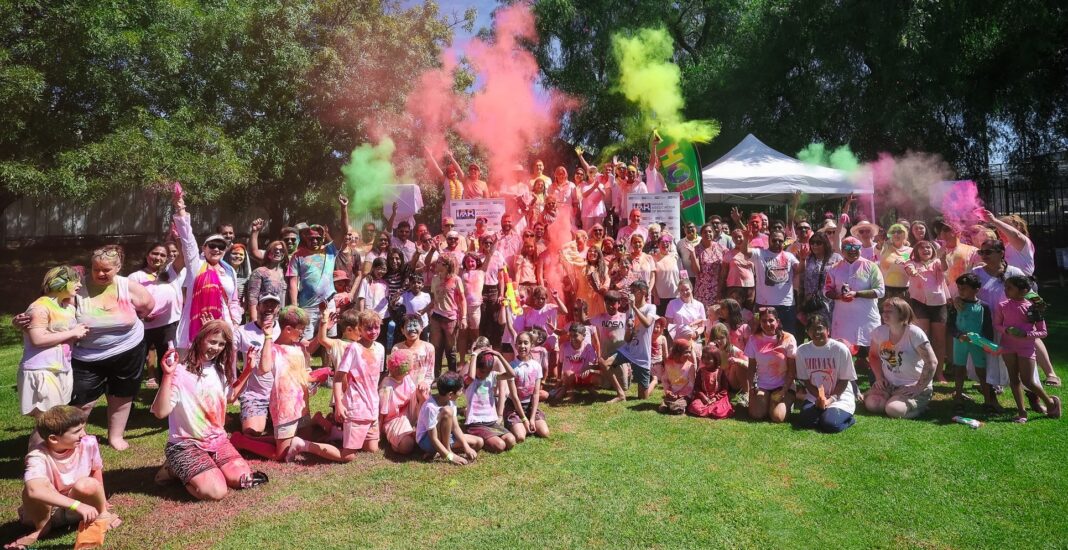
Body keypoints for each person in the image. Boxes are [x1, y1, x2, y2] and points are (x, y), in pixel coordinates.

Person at [150, 321, 262, 500]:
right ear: (200, 339)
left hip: (217, 440)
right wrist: (167, 375)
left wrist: (248, 369)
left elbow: (230, 397)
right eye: (212, 341)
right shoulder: (180, 372)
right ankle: (173, 468)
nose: (216, 348)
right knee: (216, 491)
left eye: (221, 344)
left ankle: (207, 466)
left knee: (242, 479)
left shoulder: (220, 369)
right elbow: (160, 412)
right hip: (186, 444)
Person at [231, 307, 347, 463]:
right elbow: (264, 368)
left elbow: (303, 375)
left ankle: (272, 439)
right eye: (301, 329)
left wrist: (316, 376)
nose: (303, 333)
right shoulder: (273, 349)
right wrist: (267, 337)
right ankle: (241, 441)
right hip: (284, 408)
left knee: (303, 438)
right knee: (281, 455)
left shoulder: (298, 348)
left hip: (301, 407)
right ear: (288, 329)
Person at [71, 245, 155, 451]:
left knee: (122, 395)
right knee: (82, 399)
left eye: (106, 270)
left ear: (118, 268)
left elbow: (148, 305)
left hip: (128, 349)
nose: (100, 274)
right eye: (96, 269)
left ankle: (115, 437)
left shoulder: (129, 286)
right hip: (87, 354)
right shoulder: (77, 289)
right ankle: (75, 436)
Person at [8, 406, 119, 550]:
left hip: (78, 509)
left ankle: (103, 516)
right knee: (36, 487)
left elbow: (95, 469)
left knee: (87, 483)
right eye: (77, 431)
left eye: (83, 428)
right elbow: (34, 491)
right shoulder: (37, 456)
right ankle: (42, 527)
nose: (83, 434)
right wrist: (77, 505)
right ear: (54, 439)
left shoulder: (88, 443)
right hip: (49, 512)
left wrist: (101, 502)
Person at [18, 267, 87, 447]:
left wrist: (77, 334)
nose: (80, 285)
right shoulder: (40, 307)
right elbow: (38, 339)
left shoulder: (67, 307)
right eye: (75, 281)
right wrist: (73, 332)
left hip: (62, 368)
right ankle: (35, 459)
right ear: (59, 282)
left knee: (56, 418)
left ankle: (52, 456)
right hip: (42, 371)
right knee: (48, 421)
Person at [172, 193, 241, 349]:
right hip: (196, 324)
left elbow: (234, 300)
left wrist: (235, 322)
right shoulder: (196, 265)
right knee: (194, 360)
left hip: (224, 324)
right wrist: (181, 209)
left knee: (221, 360)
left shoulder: (229, 270)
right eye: (212, 245)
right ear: (203, 248)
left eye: (221, 246)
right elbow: (188, 240)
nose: (216, 249)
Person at [994, 276, 1061, 422]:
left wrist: (1026, 334)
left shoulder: (1034, 308)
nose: (1006, 290)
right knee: (1013, 379)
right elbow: (997, 325)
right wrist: (1006, 330)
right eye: (1005, 287)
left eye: (1010, 288)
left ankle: (1050, 403)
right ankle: (1021, 412)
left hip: (1026, 347)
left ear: (1023, 291)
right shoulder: (1002, 305)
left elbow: (1043, 332)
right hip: (1008, 346)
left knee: (1028, 380)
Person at [865, 298, 938, 419]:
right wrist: (879, 378)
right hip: (888, 384)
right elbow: (873, 356)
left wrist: (918, 388)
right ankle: (893, 400)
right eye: (884, 311)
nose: (884, 314)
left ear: (902, 314)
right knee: (873, 405)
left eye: (889, 311)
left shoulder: (914, 333)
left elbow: (932, 362)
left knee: (893, 410)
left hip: (912, 385)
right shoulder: (879, 332)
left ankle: (920, 406)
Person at [826, 237, 885, 374]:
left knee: (874, 351)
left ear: (860, 249)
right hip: (843, 318)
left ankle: (877, 379)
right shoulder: (834, 268)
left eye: (856, 247)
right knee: (841, 351)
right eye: (848, 247)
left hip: (866, 317)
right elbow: (826, 290)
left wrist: (857, 294)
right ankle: (843, 379)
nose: (852, 250)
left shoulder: (871, 266)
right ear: (842, 250)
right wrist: (839, 296)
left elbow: (880, 291)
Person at [129, 244, 183, 387]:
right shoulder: (135, 276)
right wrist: (141, 314)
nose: (158, 257)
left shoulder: (171, 272)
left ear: (167, 258)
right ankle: (129, 395)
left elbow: (184, 255)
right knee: (137, 361)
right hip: (142, 326)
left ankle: (165, 394)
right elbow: (127, 300)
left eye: (162, 255)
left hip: (169, 325)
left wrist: (178, 239)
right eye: (155, 253)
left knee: (168, 360)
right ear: (147, 255)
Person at [334, 310, 387, 456]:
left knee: (372, 448)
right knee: (348, 455)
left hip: (372, 405)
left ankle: (338, 433)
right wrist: (339, 404)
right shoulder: (353, 348)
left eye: (376, 327)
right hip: (356, 405)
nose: (373, 331)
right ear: (360, 329)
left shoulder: (380, 348)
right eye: (368, 328)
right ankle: (305, 445)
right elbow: (338, 378)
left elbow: (377, 377)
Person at [794, 314, 857, 433]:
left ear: (828, 330)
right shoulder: (802, 351)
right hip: (815, 396)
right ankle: (824, 414)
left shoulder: (840, 349)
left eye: (820, 328)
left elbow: (844, 380)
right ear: (808, 332)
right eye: (812, 329)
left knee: (830, 424)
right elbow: (806, 381)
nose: (816, 332)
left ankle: (849, 420)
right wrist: (820, 398)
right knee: (804, 421)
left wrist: (830, 400)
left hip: (839, 396)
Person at [600, 279, 658, 402]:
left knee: (642, 397)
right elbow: (627, 339)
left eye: (634, 291)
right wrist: (629, 329)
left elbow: (647, 323)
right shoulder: (629, 311)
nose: (631, 294)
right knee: (604, 363)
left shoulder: (651, 307)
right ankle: (621, 394)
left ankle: (654, 381)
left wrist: (634, 307)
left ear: (643, 292)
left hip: (642, 355)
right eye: (630, 291)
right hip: (628, 350)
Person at [947, 273, 998, 412]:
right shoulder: (956, 305)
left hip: (978, 344)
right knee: (959, 370)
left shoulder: (984, 307)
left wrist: (987, 343)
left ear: (976, 290)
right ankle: (958, 398)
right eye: (959, 288)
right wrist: (959, 335)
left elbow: (987, 327)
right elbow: (950, 325)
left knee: (982, 371)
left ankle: (988, 401)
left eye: (964, 288)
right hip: (960, 343)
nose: (960, 291)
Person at [232, 295, 281, 436]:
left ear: (278, 309)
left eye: (273, 305)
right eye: (266, 304)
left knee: (295, 432)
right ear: (257, 307)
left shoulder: (284, 330)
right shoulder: (243, 331)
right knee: (252, 433)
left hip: (281, 394)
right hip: (254, 394)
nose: (269, 308)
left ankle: (270, 417)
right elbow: (227, 355)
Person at [904, 240, 949, 382]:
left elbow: (944, 268)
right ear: (916, 251)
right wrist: (913, 272)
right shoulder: (911, 263)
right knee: (922, 339)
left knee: (939, 340)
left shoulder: (937, 262)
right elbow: (909, 270)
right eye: (922, 248)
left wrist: (943, 258)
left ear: (933, 250)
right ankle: (922, 372)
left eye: (928, 247)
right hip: (919, 303)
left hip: (939, 304)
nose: (925, 250)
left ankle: (939, 373)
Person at [416, 372, 482, 464]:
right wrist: (450, 457)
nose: (461, 393)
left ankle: (440, 452)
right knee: (447, 411)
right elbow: (433, 438)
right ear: (450, 394)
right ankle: (447, 451)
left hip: (444, 436)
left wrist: (466, 447)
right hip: (427, 441)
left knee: (479, 442)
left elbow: (455, 427)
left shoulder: (450, 401)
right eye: (460, 391)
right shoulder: (430, 407)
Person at [745, 307, 797, 423]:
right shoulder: (753, 339)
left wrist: (784, 391)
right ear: (760, 322)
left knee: (777, 417)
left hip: (783, 385)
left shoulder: (788, 338)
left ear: (777, 321)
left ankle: (787, 402)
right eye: (764, 321)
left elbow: (792, 370)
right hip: (763, 385)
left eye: (771, 320)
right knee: (756, 414)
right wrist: (752, 387)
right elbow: (751, 367)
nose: (767, 324)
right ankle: (768, 401)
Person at [462, 349, 520, 453]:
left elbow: (512, 374)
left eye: (487, 372)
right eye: (482, 371)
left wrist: (499, 355)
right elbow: (471, 376)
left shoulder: (492, 376)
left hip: (491, 421)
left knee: (511, 440)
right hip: (476, 423)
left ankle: (489, 437)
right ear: (476, 367)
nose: (485, 374)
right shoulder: (468, 380)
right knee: (500, 446)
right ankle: (478, 438)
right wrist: (474, 354)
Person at [378, 349, 430, 455]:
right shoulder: (386, 387)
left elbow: (414, 395)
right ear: (407, 371)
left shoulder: (406, 378)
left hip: (408, 414)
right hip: (393, 420)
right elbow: (381, 414)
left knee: (422, 391)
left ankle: (421, 425)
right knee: (407, 446)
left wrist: (423, 387)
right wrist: (379, 434)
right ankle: (406, 438)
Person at [750, 230, 801, 337]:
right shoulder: (759, 253)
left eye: (780, 241)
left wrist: (804, 259)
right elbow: (745, 251)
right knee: (761, 335)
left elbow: (800, 269)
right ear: (769, 240)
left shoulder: (789, 256)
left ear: (784, 242)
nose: (777, 243)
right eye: (774, 240)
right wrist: (746, 238)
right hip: (763, 304)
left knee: (787, 335)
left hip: (786, 304)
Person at [504, 331, 549, 441]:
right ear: (515, 345)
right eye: (519, 343)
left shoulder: (536, 366)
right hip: (514, 406)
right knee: (520, 436)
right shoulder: (512, 367)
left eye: (526, 343)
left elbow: (536, 394)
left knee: (545, 433)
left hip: (529, 406)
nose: (522, 346)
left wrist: (532, 418)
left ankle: (530, 420)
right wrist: (524, 419)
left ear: (532, 345)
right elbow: (514, 396)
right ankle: (514, 421)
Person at [428, 255, 466, 376]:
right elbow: (434, 299)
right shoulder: (435, 279)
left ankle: (453, 376)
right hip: (436, 316)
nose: (436, 264)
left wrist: (464, 317)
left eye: (439, 262)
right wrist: (424, 311)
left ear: (446, 266)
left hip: (450, 318)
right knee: (436, 348)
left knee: (451, 349)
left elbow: (462, 300)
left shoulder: (456, 280)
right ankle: (436, 376)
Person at [797, 231, 839, 327]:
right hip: (812, 303)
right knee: (814, 329)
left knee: (830, 329)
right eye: (812, 243)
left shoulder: (836, 258)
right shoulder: (808, 259)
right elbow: (801, 280)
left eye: (818, 243)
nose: (814, 245)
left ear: (825, 243)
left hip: (830, 303)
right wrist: (800, 305)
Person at [687, 341, 735, 419]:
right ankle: (711, 409)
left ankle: (712, 409)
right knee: (695, 406)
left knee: (720, 411)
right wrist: (703, 397)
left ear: (716, 359)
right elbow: (697, 387)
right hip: (704, 397)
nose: (705, 360)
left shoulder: (720, 372)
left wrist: (715, 398)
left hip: (718, 398)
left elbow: (724, 389)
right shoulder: (701, 371)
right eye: (704, 358)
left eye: (709, 358)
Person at [247, 240, 288, 322]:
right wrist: (254, 319)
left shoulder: (285, 272)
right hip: (263, 317)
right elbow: (252, 298)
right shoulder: (259, 272)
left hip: (280, 318)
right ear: (268, 253)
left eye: (281, 250)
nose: (278, 252)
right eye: (275, 250)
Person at [658, 338, 697, 415]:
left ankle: (676, 406)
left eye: (690, 352)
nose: (689, 355)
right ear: (677, 353)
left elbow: (691, 385)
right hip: (673, 393)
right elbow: (665, 379)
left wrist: (679, 395)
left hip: (685, 395)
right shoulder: (669, 364)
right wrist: (668, 391)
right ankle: (670, 404)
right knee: (665, 406)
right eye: (686, 352)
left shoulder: (690, 366)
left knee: (677, 407)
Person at [459, 253, 485, 361]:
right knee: (463, 333)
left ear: (477, 262)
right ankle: (461, 360)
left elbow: (488, 258)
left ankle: (476, 359)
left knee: (475, 333)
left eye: (472, 261)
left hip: (475, 307)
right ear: (464, 263)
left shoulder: (481, 272)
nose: (470, 263)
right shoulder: (462, 273)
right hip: (463, 307)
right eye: (467, 261)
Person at [877, 223, 913, 302]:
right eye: (893, 232)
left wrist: (903, 263)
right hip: (886, 290)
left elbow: (910, 264)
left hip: (904, 290)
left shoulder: (909, 251)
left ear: (905, 234)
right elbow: (878, 249)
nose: (896, 234)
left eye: (899, 232)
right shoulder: (885, 248)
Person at [723, 228, 755, 310]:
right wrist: (720, 291)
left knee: (749, 310)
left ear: (744, 237)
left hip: (750, 287)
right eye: (735, 237)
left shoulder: (752, 252)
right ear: (732, 239)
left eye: (740, 237)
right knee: (734, 311)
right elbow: (723, 274)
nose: (738, 239)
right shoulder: (728, 254)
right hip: (733, 287)